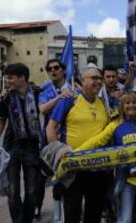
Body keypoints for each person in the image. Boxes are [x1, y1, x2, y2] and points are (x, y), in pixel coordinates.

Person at [74, 92, 136, 223]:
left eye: (135, 102)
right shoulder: (115, 125)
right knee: (125, 218)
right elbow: (97, 141)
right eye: (128, 103)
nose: (131, 105)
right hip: (125, 180)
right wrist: (76, 153)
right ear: (122, 106)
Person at [46, 67, 110, 223]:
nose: (98, 81)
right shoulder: (69, 99)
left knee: (94, 211)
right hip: (74, 167)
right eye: (94, 78)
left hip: (97, 167)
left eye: (99, 78)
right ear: (82, 81)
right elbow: (51, 127)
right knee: (72, 211)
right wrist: (58, 153)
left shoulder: (102, 103)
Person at [0, 63, 43, 223]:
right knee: (12, 193)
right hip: (11, 147)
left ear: (22, 78)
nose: (7, 81)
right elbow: (1, 121)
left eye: (10, 78)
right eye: (6, 78)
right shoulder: (6, 98)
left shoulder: (38, 94)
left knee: (32, 192)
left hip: (32, 147)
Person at [38, 59, 73, 221]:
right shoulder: (45, 90)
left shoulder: (74, 87)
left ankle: (71, 213)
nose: (53, 71)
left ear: (63, 70)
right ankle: (58, 217)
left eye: (56, 68)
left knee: (72, 180)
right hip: (51, 140)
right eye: (49, 68)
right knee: (57, 179)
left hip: (70, 139)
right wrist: (60, 97)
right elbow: (43, 109)